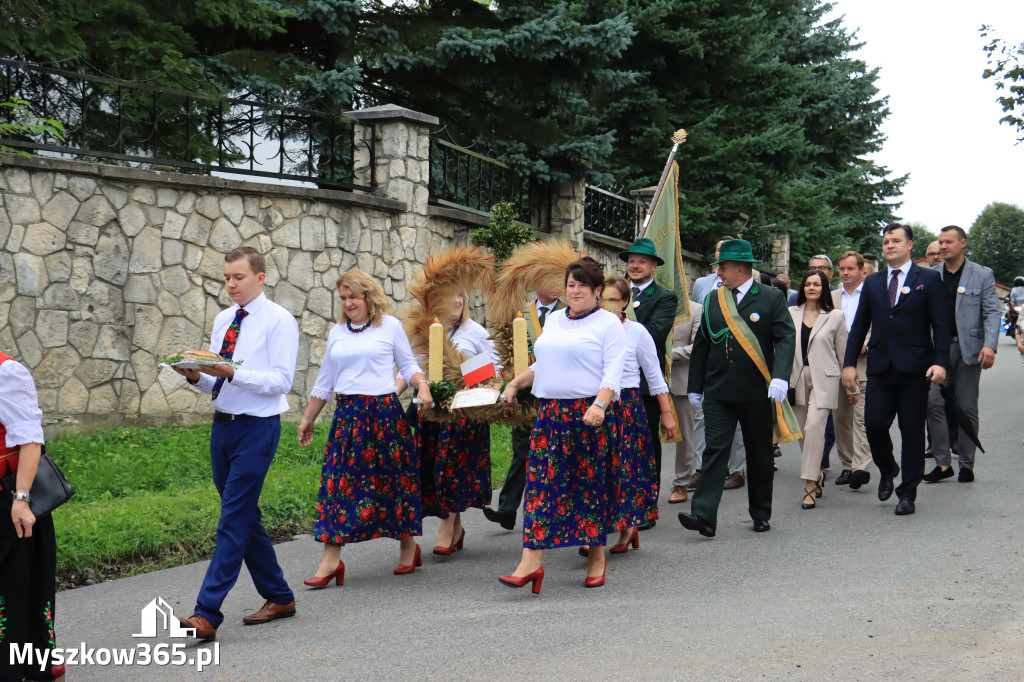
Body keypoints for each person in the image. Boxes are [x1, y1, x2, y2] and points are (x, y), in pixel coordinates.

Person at [172, 247, 298, 640]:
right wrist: (194, 375)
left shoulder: (280, 321)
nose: (230, 285)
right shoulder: (224, 319)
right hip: (222, 427)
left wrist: (231, 371)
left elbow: (281, 381)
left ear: (260, 277)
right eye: (226, 277)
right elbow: (217, 382)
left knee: (232, 518)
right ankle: (280, 595)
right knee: (244, 516)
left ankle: (206, 614)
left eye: (238, 277)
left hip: (258, 428)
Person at [497, 257, 625, 592]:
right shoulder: (554, 320)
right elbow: (544, 365)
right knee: (541, 487)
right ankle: (530, 563)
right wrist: (514, 384)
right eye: (571, 284)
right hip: (549, 416)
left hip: (587, 416)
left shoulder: (608, 324)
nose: (576, 290)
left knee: (588, 489)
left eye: (583, 285)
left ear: (598, 291)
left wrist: (600, 404)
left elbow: (613, 372)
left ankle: (597, 557)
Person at [298, 269, 433, 586]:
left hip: (384, 414)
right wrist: (307, 419)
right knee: (338, 486)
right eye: (343, 298)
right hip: (348, 419)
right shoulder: (337, 333)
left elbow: (409, 365)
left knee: (394, 483)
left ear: (368, 297)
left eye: (353, 297)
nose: (347, 303)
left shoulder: (390, 326)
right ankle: (331, 561)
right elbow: (325, 382)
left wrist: (422, 387)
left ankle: (408, 547)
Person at [679, 239, 795, 537]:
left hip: (757, 390)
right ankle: (703, 516)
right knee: (715, 451)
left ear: (739, 268)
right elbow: (703, 344)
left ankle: (760, 512)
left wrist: (781, 375)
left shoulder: (770, 297)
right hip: (719, 390)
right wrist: (695, 386)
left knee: (759, 453)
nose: (718, 272)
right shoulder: (714, 299)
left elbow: (784, 337)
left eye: (722, 266)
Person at [842, 224, 949, 516]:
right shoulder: (874, 282)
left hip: (916, 369)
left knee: (911, 430)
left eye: (896, 240)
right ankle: (888, 468)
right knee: (874, 425)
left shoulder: (927, 278)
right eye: (886, 241)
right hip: (880, 367)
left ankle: (907, 493)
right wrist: (849, 364)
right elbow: (859, 326)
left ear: (910, 245)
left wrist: (940, 362)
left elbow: (940, 325)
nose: (889, 245)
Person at [596, 277, 677, 552]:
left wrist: (666, 413)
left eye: (612, 300)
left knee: (625, 469)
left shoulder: (637, 332)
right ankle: (597, 531)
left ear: (624, 303)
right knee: (598, 469)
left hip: (627, 406)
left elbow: (655, 377)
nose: (605, 306)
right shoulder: (589, 330)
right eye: (601, 299)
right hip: (597, 405)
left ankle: (627, 529)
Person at [412, 289, 496, 553]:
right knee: (436, 470)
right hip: (433, 412)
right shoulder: (426, 330)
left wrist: (464, 376)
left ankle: (446, 527)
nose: (458, 300)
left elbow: (496, 368)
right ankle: (456, 528)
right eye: (451, 294)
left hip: (464, 414)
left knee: (450, 470)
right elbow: (413, 368)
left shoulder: (475, 332)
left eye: (461, 294)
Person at [0, 354, 65, 681]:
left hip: (10, 501)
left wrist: (22, 500)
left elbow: (30, 439)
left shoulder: (6, 372)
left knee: (17, 586)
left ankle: (25, 665)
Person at [923, 225, 1000, 484]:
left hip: (970, 351)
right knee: (933, 403)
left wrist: (990, 345)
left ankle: (966, 463)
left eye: (948, 242)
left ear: (963, 243)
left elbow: (992, 312)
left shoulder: (982, 275)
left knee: (966, 407)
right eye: (940, 242)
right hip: (937, 352)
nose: (943, 247)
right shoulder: (931, 276)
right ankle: (943, 463)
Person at [482, 287, 562, 530]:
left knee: (556, 455)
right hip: (525, 393)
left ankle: (555, 509)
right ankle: (507, 509)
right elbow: (504, 351)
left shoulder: (567, 314)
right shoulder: (520, 314)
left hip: (556, 393)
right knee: (521, 450)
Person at [620, 238, 677, 528]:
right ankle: (620, 502)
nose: (635, 265)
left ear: (654, 266)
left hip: (644, 383)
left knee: (645, 445)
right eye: (631, 260)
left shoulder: (664, 297)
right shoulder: (613, 293)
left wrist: (621, 315)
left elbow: (653, 335)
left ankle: (646, 505)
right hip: (610, 384)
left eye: (642, 261)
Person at [788, 271, 851, 509]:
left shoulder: (835, 316)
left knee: (815, 426)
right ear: (802, 288)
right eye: (808, 284)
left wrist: (850, 383)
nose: (811, 288)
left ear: (824, 289)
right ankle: (818, 471)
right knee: (804, 433)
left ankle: (810, 483)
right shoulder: (790, 313)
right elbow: (783, 347)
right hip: (797, 379)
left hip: (824, 380)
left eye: (816, 284)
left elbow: (842, 351)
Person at [689, 236, 747, 492]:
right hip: (711, 363)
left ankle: (736, 470)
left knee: (736, 425)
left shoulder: (755, 290)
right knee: (703, 420)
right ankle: (702, 469)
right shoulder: (702, 284)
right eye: (718, 253)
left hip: (741, 364)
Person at [831, 251, 873, 488]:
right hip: (836, 363)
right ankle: (847, 465)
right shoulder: (832, 297)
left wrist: (867, 343)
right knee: (841, 419)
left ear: (861, 271)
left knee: (861, 417)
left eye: (850, 269)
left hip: (863, 361)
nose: (845, 273)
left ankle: (860, 466)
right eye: (842, 269)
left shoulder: (870, 294)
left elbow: (880, 322)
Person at [667, 297, 703, 504]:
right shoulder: (643, 304)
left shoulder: (695, 309)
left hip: (681, 380)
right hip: (648, 380)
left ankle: (682, 482)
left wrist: (665, 355)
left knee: (686, 436)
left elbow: (696, 346)